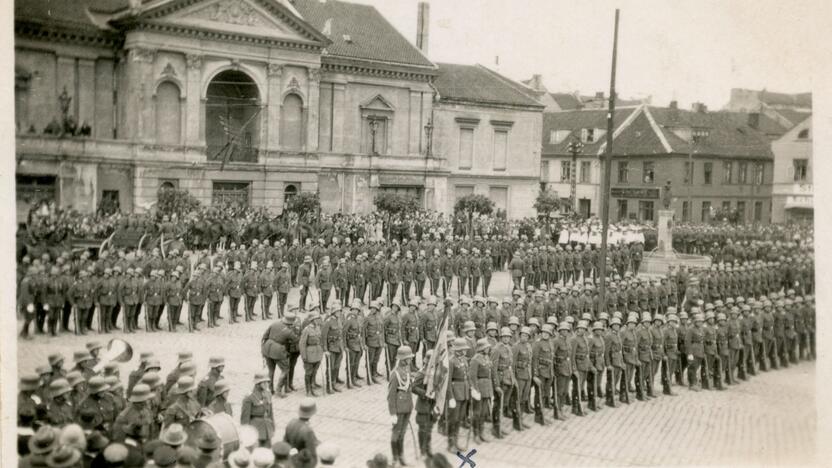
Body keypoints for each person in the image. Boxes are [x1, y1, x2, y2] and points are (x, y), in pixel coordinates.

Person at [387, 345, 414, 466]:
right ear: (403, 359)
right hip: (398, 407)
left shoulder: (407, 370)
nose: (410, 360)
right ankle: (395, 458)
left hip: (407, 405)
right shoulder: (395, 373)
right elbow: (391, 395)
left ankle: (401, 455)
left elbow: (409, 388)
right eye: (408, 358)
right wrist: (392, 413)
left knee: (402, 433)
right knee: (396, 433)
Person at [241, 373, 274, 447]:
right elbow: (244, 419)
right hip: (255, 430)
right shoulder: (249, 397)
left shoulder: (268, 393)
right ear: (258, 383)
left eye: (267, 382)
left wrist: (272, 426)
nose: (267, 384)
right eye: (264, 382)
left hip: (267, 429)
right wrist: (247, 434)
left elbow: (270, 413)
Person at [283, 398, 319, 463]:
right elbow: (311, 450)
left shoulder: (291, 422)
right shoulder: (308, 430)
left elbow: (285, 441)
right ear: (312, 413)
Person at [299, 312, 324, 396]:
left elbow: (320, 340)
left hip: (317, 354)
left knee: (314, 372)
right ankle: (308, 391)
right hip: (309, 354)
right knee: (308, 373)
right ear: (312, 320)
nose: (318, 320)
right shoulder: (307, 330)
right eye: (316, 319)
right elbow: (302, 344)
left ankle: (312, 388)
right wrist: (304, 356)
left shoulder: (318, 328)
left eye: (318, 318)